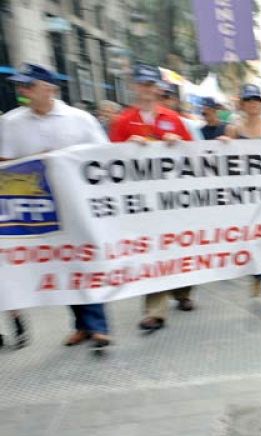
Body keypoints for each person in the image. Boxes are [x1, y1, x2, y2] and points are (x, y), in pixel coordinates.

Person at [0, 63, 111, 349]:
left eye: (28, 86)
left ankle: (98, 326)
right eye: (20, 86)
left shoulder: (80, 119)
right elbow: (5, 164)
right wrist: (39, 159)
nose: (21, 91)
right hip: (40, 208)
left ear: (48, 89)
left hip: (79, 203)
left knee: (86, 259)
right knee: (61, 262)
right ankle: (82, 325)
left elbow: (104, 154)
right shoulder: (12, 122)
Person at [109, 63, 194, 332]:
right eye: (142, 85)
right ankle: (155, 311)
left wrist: (176, 142)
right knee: (152, 250)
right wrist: (127, 147)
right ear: (135, 87)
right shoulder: (124, 121)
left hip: (173, 198)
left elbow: (195, 154)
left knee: (180, 245)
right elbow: (107, 160)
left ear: (157, 88)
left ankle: (183, 292)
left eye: (150, 85)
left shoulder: (173, 118)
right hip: (143, 203)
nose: (146, 90)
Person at [219, 84, 261, 312]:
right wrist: (223, 147)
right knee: (250, 241)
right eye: (248, 100)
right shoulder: (233, 130)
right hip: (245, 198)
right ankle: (257, 275)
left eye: (256, 100)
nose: (252, 104)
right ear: (242, 104)